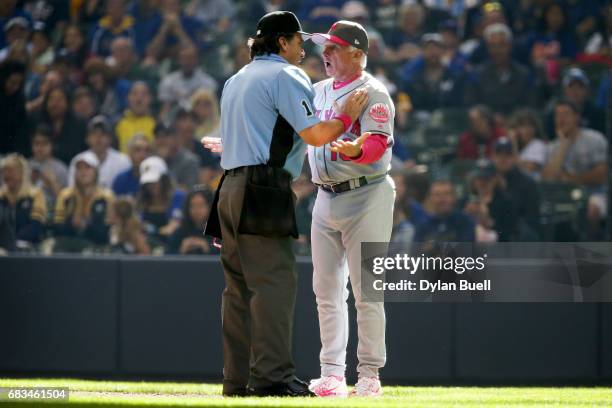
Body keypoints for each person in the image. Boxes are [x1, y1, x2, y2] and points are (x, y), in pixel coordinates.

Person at [202, 11, 368, 398]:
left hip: (228, 188)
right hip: (263, 187)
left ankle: (237, 379)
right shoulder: (286, 76)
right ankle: (272, 378)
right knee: (274, 284)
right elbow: (315, 134)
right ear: (282, 42)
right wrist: (347, 117)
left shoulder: (235, 79)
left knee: (238, 289)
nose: (302, 50)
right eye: (298, 42)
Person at [305, 20, 396, 397]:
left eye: (334, 48)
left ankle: (370, 373)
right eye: (325, 47)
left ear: (357, 53)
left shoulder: (373, 92)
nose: (325, 53)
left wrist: (356, 149)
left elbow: (378, 144)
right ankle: (332, 373)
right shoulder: (317, 90)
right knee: (325, 289)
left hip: (367, 194)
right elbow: (288, 132)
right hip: (325, 196)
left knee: (367, 290)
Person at [53, 151, 114, 249]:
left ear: (96, 171)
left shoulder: (107, 197)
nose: (83, 171)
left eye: (87, 167)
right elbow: (57, 228)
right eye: (79, 168)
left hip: (98, 248)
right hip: (68, 246)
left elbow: (107, 232)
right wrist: (72, 225)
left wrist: (86, 226)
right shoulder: (65, 195)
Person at [68, 115, 131, 189]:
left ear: (110, 138)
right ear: (87, 138)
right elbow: (72, 189)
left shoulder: (123, 160)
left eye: (103, 134)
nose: (98, 138)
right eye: (94, 134)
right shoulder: (78, 160)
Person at [0, 153, 47, 246]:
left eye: (10, 171)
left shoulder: (35, 194)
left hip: (29, 246)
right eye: (4, 171)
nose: (6, 175)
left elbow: (36, 226)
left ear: (22, 172)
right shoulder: (1, 196)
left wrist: (12, 241)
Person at [166, 188, 216, 255]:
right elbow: (167, 256)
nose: (196, 210)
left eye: (201, 206)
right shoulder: (180, 232)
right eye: (192, 206)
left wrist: (207, 247)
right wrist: (181, 250)